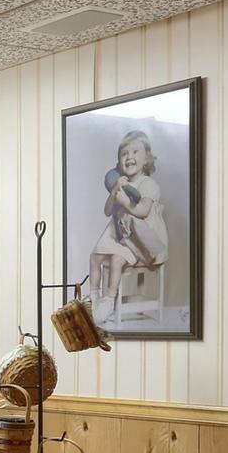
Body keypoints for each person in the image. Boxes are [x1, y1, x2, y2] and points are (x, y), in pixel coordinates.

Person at [87, 130, 166, 321]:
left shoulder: (149, 184)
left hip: (140, 241)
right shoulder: (120, 184)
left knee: (116, 260)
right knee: (95, 257)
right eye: (124, 154)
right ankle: (93, 297)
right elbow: (107, 211)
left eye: (135, 152)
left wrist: (125, 200)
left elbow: (143, 211)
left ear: (147, 159)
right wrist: (114, 192)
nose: (129, 157)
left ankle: (108, 300)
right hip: (122, 235)